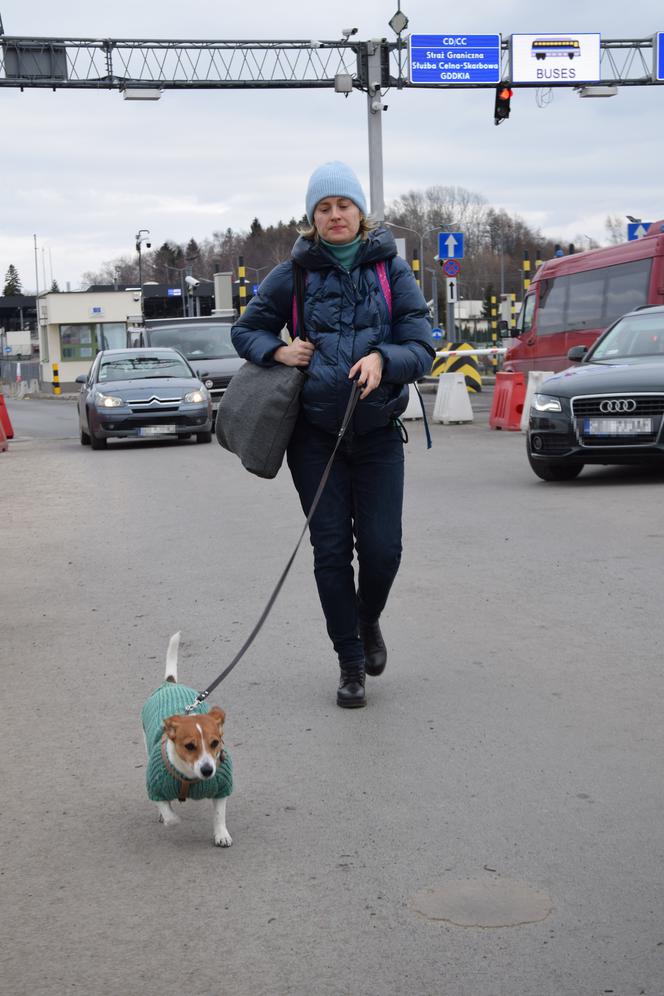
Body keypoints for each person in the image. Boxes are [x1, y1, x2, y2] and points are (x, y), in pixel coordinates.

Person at [231, 161, 434, 709]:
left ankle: (367, 622)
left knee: (382, 548)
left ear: (360, 212)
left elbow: (421, 346)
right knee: (329, 551)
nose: (335, 214)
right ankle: (350, 663)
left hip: (377, 433)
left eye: (343, 205)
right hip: (315, 436)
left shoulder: (391, 270)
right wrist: (277, 350)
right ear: (312, 219)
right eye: (324, 208)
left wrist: (382, 359)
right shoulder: (293, 272)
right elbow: (245, 329)